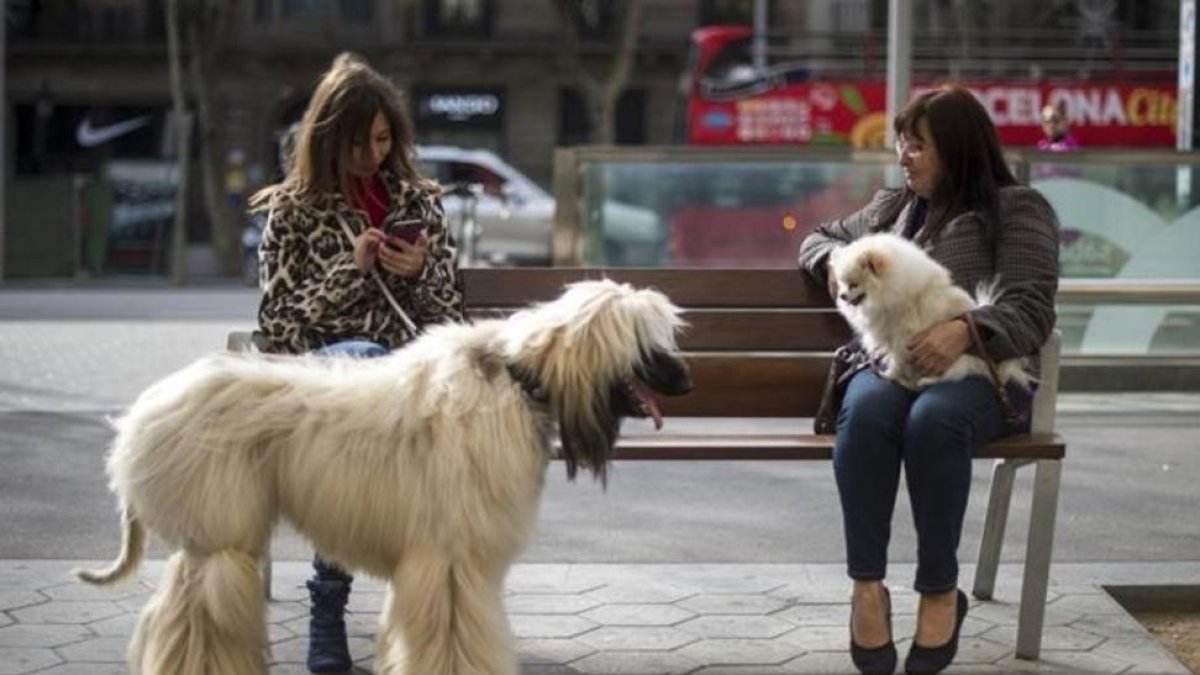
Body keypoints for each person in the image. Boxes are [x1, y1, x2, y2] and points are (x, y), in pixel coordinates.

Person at [798, 86, 1059, 675]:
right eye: (902, 142)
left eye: (918, 145)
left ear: (959, 149)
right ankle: (867, 589)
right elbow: (817, 239)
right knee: (864, 417)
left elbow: (1032, 307)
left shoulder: (1018, 208)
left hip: (984, 373)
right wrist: (838, 269)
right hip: (891, 366)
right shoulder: (891, 208)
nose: (903, 155)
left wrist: (968, 330)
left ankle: (940, 590)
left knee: (934, 421)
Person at [250, 52, 464, 674]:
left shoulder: (419, 201)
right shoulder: (290, 209)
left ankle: (424, 617)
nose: (373, 155)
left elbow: (449, 317)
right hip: (328, 375)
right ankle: (329, 606)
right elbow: (279, 327)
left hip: (410, 371)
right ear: (327, 139)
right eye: (358, 142)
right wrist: (351, 270)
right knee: (366, 375)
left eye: (383, 138)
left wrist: (419, 273)